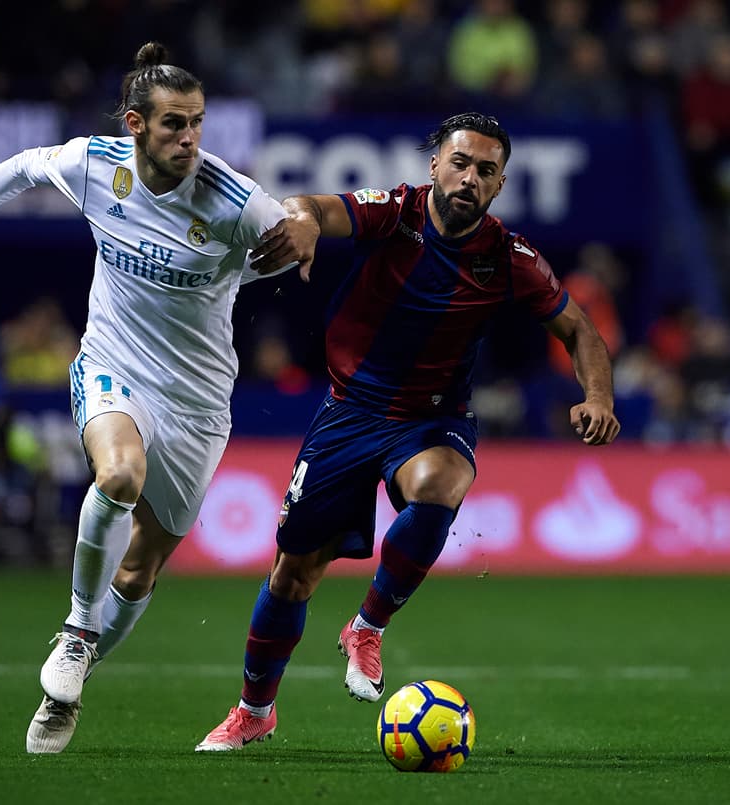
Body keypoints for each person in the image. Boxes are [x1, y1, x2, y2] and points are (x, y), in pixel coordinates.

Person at [195, 112, 621, 751]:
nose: (469, 178)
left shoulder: (510, 258)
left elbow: (579, 330)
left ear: (500, 185)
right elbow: (313, 204)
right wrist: (305, 222)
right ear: (435, 167)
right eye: (460, 163)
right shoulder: (393, 213)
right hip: (348, 413)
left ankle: (367, 626)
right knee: (293, 576)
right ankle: (255, 709)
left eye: (485, 170)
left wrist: (598, 396)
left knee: (442, 484)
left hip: (433, 417)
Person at [0, 42, 293, 754]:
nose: (190, 138)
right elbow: (29, 164)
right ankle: (76, 629)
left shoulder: (233, 199)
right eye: (174, 124)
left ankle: (80, 667)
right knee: (118, 474)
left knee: (142, 564)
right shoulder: (97, 165)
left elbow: (296, 227)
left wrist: (299, 232)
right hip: (114, 363)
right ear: (135, 124)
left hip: (198, 400)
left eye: (198, 123)